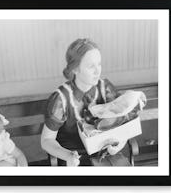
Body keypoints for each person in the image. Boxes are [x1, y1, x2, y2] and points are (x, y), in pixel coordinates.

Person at [41, 38, 131, 166]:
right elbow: (46, 140)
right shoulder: (61, 99)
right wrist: (67, 155)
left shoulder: (105, 88)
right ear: (75, 69)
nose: (97, 71)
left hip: (105, 155)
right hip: (74, 159)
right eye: (91, 66)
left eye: (99, 64)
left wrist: (119, 143)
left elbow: (123, 124)